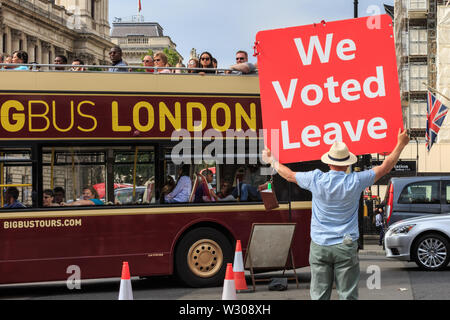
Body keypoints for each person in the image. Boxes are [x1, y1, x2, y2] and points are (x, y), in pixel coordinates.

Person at [262, 129, 410, 300]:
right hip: (345, 245)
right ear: (347, 164)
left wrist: (272, 160)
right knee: (347, 295)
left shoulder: (316, 179)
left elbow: (288, 175)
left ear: (328, 162)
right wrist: (401, 144)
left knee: (319, 295)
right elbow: (385, 168)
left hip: (320, 245)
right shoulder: (356, 181)